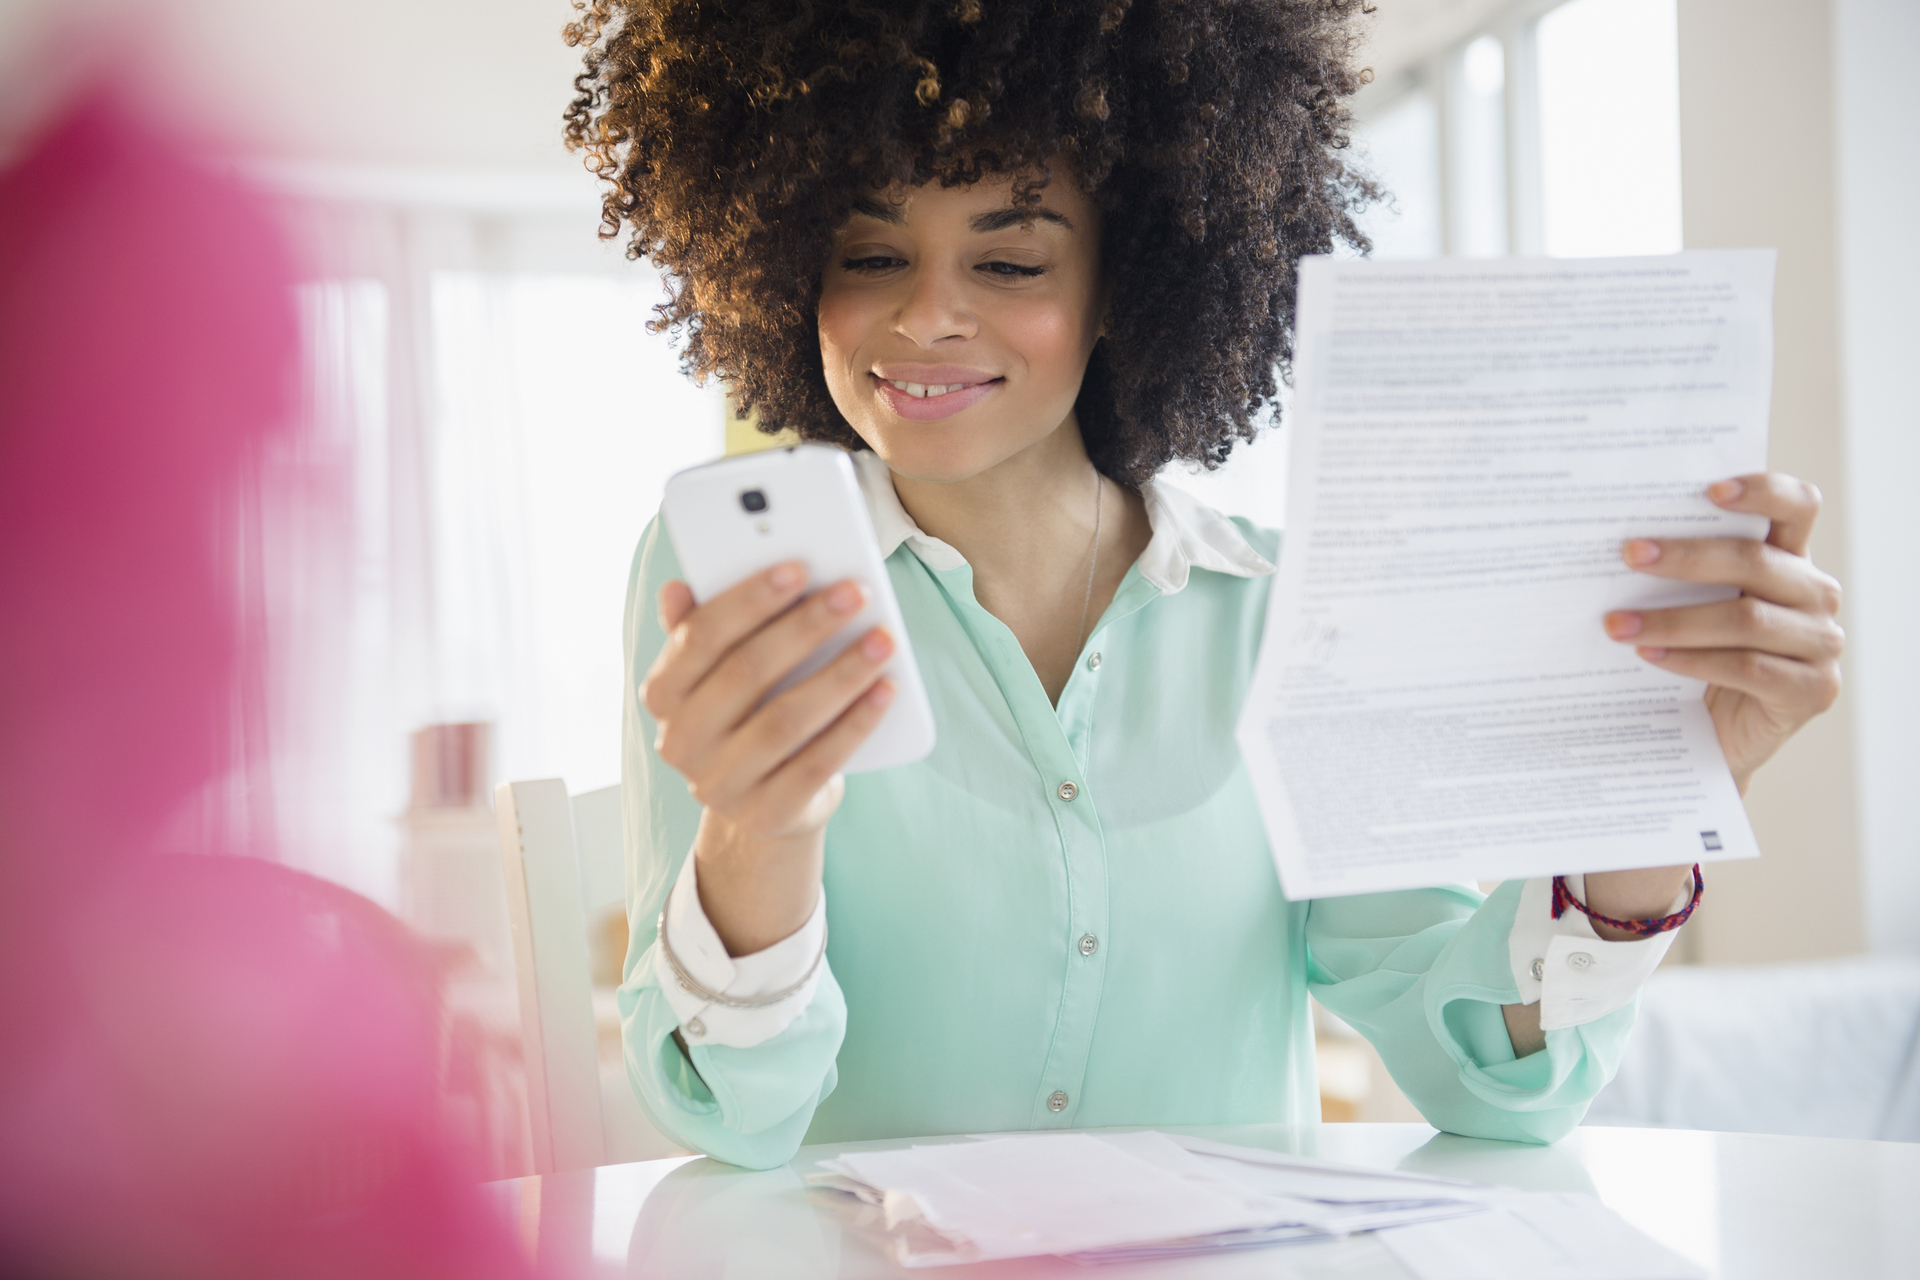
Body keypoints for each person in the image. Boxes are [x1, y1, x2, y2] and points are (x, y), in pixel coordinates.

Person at [562, 0, 1844, 1170]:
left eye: (1009, 261)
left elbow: (1495, 1087)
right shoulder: (734, 578)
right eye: (870, 255)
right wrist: (759, 831)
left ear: (1128, 281)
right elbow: (731, 1112)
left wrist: (1652, 803)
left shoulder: (1287, 615)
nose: (929, 317)